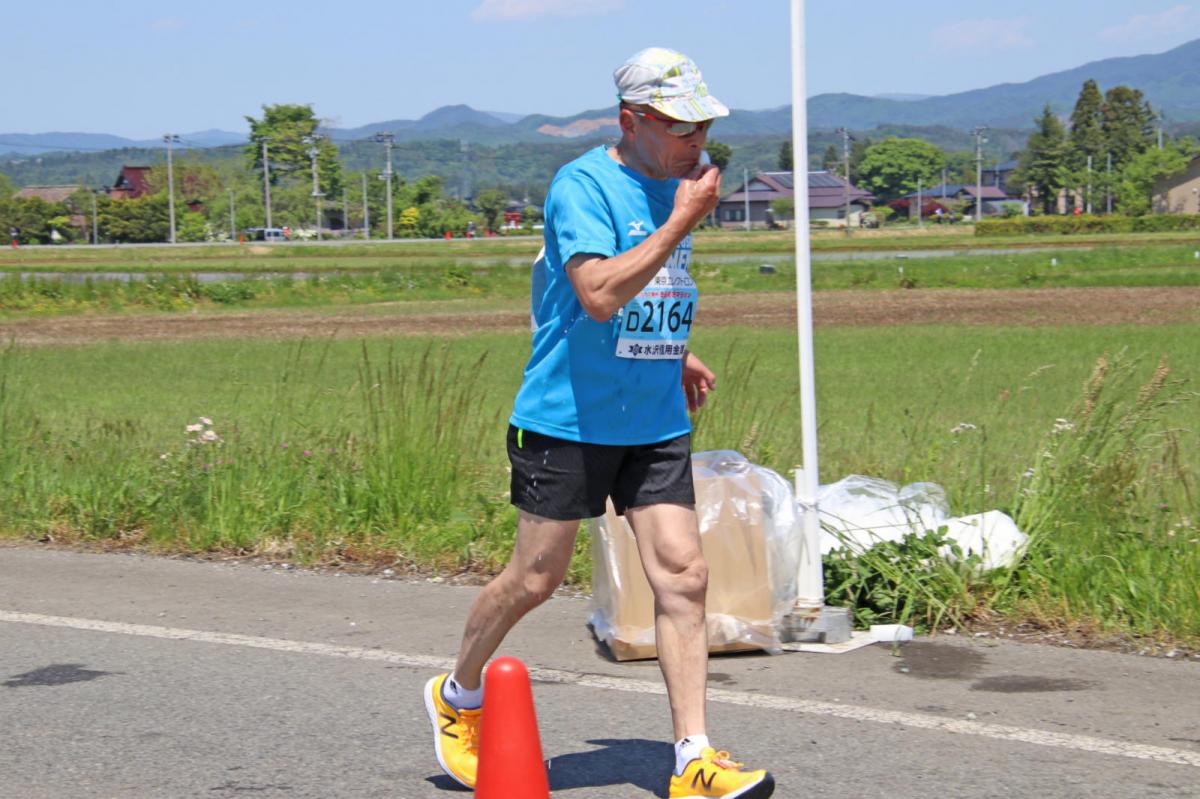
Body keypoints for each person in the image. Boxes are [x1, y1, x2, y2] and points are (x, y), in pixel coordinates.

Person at [424, 47, 775, 799]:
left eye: (704, 126)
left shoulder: (677, 185)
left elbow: (649, 290)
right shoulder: (582, 186)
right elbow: (596, 293)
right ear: (631, 120)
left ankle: (693, 757)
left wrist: (674, 351)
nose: (696, 140)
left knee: (683, 573)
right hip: (568, 418)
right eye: (680, 126)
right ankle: (458, 692)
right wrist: (681, 220)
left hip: (651, 416)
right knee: (535, 578)